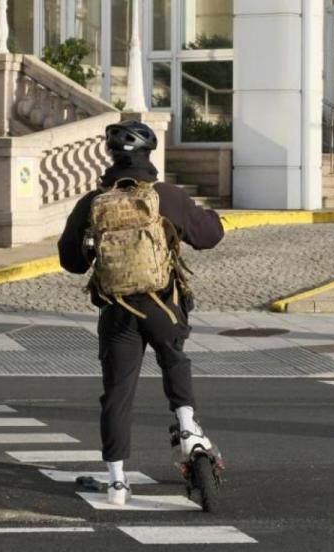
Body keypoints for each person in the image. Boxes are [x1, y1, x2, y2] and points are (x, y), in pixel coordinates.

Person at [57, 120, 225, 505]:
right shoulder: (166, 196)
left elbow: (71, 261)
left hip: (117, 311)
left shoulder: (93, 203)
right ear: (149, 156)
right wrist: (208, 216)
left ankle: (117, 481)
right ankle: (186, 426)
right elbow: (209, 236)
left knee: (117, 392)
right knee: (174, 358)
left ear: (111, 157)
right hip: (163, 304)